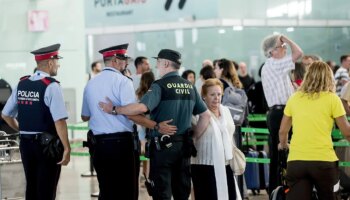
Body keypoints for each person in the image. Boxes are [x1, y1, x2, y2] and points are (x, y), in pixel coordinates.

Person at [99, 48, 211, 200]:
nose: (156, 66)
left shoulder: (160, 85)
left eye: (158, 62)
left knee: (161, 192)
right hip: (184, 147)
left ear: (165, 63)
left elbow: (141, 108)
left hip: (163, 148)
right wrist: (194, 137)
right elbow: (205, 115)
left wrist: (114, 109)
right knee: (182, 191)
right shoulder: (189, 86)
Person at [82, 44, 176, 200]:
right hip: (121, 145)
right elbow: (131, 114)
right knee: (127, 191)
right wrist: (156, 126)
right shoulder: (123, 81)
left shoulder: (90, 84)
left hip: (98, 145)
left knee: (106, 190)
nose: (126, 64)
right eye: (124, 60)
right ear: (115, 60)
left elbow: (85, 116)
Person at [1, 44, 71, 200]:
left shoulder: (21, 83)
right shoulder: (52, 86)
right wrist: (67, 147)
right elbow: (59, 120)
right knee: (46, 190)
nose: (58, 65)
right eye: (57, 61)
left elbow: (6, 115)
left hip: (26, 145)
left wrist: (21, 130)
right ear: (50, 62)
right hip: (47, 147)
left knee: (31, 188)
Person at [278, 61, 350, 199]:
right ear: (329, 77)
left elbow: (282, 130)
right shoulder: (332, 99)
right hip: (324, 163)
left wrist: (283, 144)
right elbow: (346, 132)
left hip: (296, 162)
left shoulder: (294, 98)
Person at [261, 34, 303, 195]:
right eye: (282, 46)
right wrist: (286, 38)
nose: (285, 49)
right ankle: (280, 191)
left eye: (285, 46)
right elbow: (299, 52)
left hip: (280, 112)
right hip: (281, 113)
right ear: (272, 51)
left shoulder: (274, 66)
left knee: (280, 154)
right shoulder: (274, 64)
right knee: (282, 153)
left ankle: (278, 190)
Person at [191, 78, 237, 200]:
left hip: (225, 164)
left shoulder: (226, 111)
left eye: (219, 94)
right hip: (204, 165)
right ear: (204, 96)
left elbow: (230, 134)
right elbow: (192, 137)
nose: (216, 98)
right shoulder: (197, 113)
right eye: (212, 94)